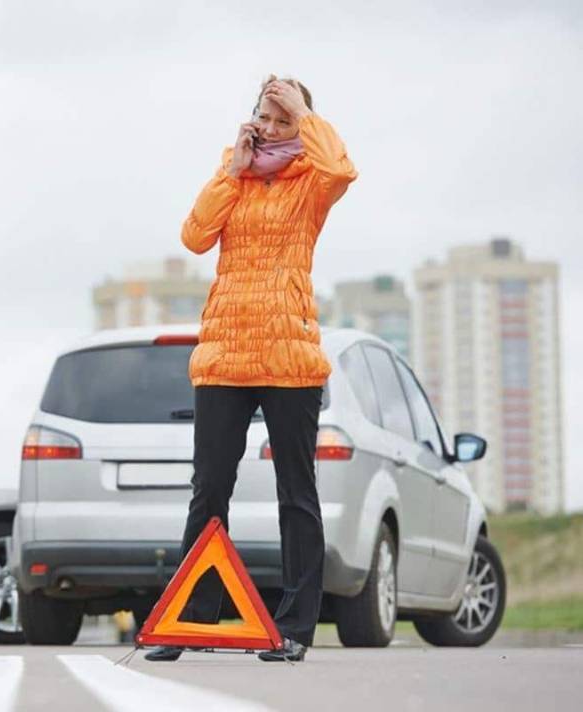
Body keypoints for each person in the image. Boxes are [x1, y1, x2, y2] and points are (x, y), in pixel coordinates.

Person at [145, 76, 357, 663]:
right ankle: (193, 621)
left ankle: (294, 627)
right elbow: (194, 237)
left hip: (289, 359)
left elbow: (343, 171)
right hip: (223, 356)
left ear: (303, 126)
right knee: (209, 489)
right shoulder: (233, 173)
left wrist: (306, 117)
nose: (268, 126)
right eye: (263, 115)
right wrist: (231, 172)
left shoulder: (313, 179)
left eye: (282, 118)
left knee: (297, 493)